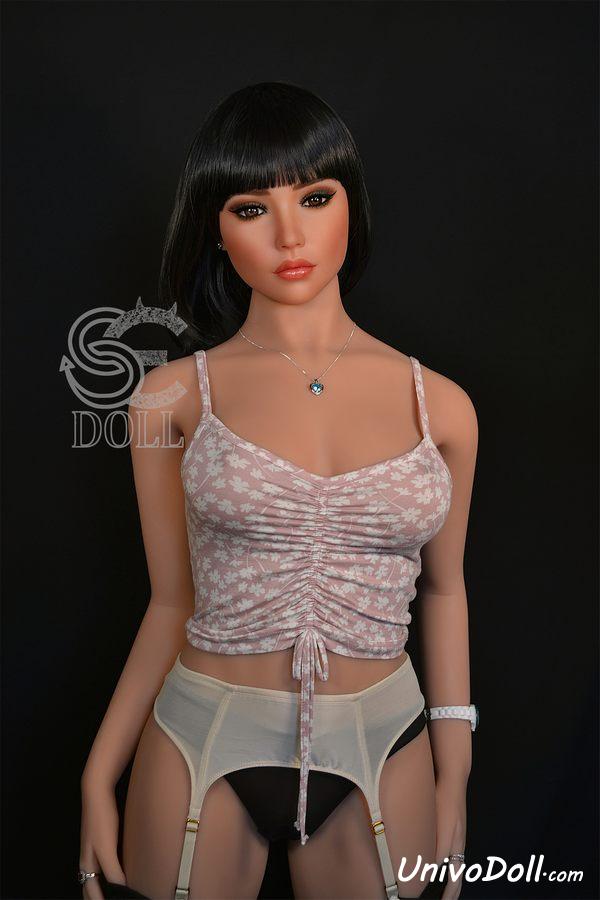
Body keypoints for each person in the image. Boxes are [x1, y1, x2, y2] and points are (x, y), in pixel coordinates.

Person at [79, 81, 479, 900]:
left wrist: (457, 765)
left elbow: (445, 589)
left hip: (382, 740)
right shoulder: (166, 398)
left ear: (351, 205)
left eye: (316, 197)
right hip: (202, 734)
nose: (289, 234)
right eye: (251, 209)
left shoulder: (441, 407)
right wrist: (98, 769)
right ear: (215, 228)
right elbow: (170, 600)